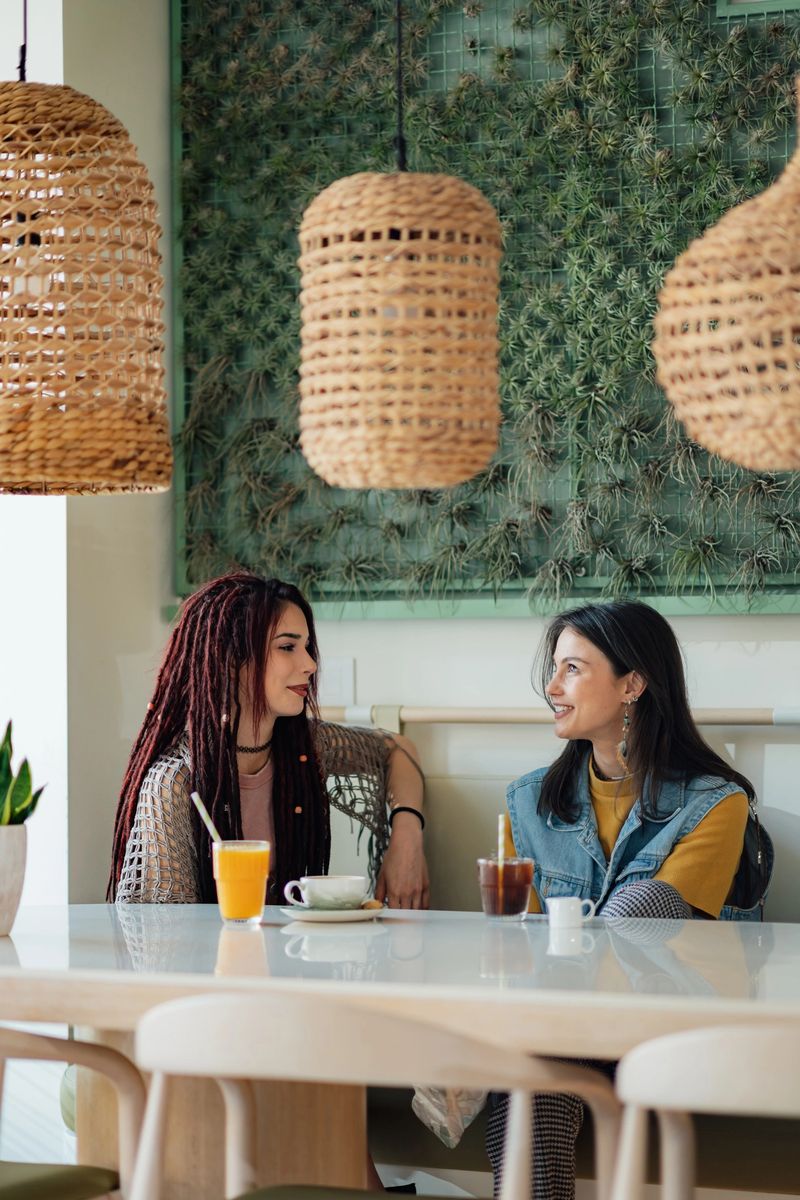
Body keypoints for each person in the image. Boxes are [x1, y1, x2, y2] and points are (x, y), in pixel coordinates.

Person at [486, 599, 771, 1200]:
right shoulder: (529, 803)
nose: (551, 687)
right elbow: (513, 949)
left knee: (526, 1060)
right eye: (554, 669)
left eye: (572, 669)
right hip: (567, 1027)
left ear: (633, 684)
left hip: (671, 1029)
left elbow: (650, 916)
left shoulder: (717, 804)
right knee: (528, 1072)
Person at [108, 572, 429, 910]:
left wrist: (407, 836)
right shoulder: (173, 784)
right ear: (231, 660)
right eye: (287, 647)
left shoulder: (307, 747)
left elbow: (397, 749)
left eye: (306, 647)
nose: (310, 664)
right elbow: (166, 937)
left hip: (294, 956)